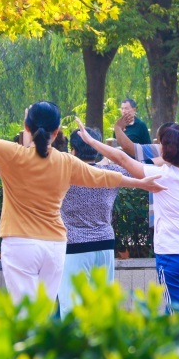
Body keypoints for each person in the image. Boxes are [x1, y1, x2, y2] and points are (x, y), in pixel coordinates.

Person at [0, 75, 165, 306]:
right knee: (44, 312)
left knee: (24, 315)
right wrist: (141, 183)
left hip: (20, 244)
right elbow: (104, 177)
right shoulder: (65, 161)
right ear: (57, 131)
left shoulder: (12, 155)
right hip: (55, 246)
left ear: (26, 127)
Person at [78, 102, 179, 313]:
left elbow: (121, 158)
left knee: (177, 314)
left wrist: (90, 140)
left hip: (174, 255)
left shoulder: (162, 175)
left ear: (167, 151)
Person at [57, 127, 130, 318]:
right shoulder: (112, 171)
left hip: (74, 246)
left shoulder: (64, 172)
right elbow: (142, 167)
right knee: (103, 306)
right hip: (105, 244)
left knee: (72, 308)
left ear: (72, 150)